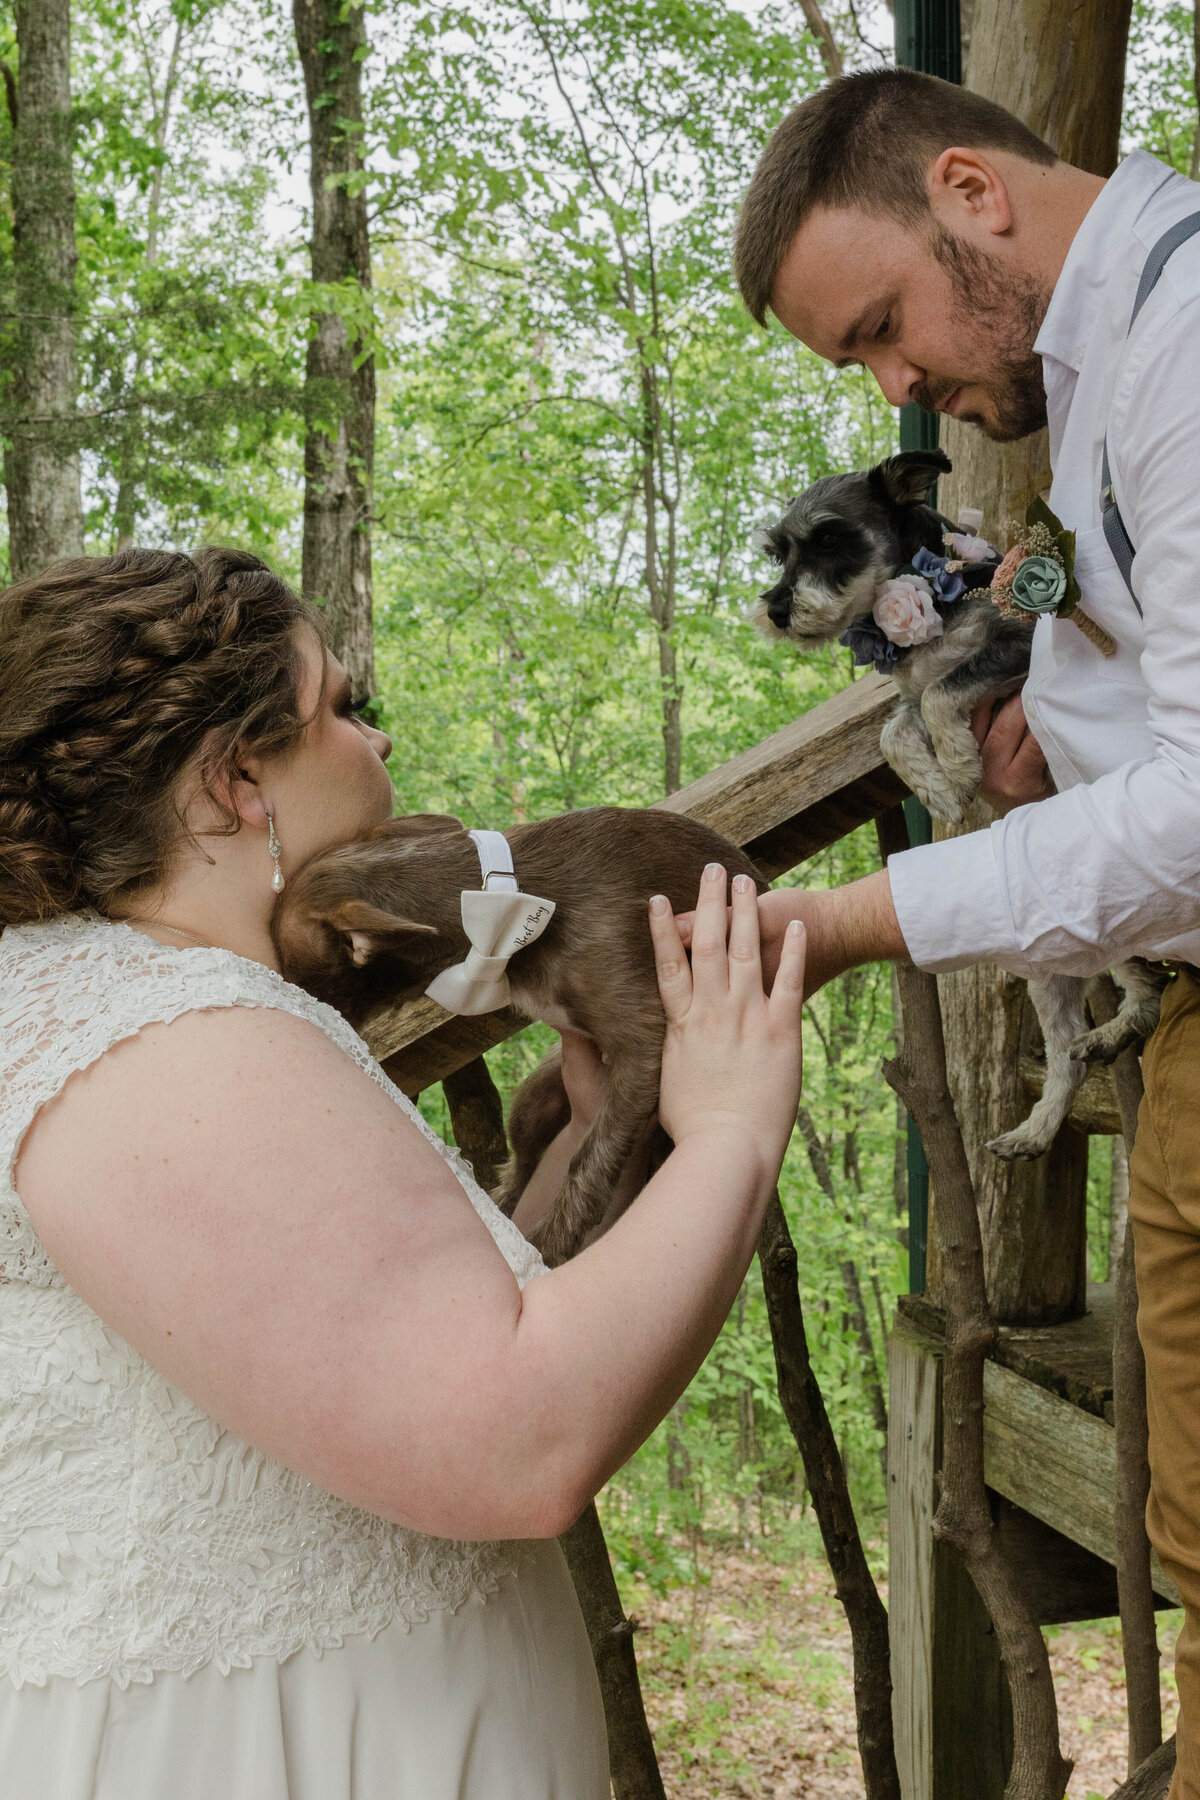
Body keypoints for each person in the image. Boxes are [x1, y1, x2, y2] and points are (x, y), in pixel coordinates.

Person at [0, 544, 807, 1800]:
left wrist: (598, 1127)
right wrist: (733, 1132)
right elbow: (513, 1440)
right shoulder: (179, 1046)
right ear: (231, 783)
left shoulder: (143, 1005)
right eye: (335, 708)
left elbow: (445, 1330)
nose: (375, 742)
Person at [725, 64, 1200, 1796]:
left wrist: (864, 916)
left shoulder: (1191, 340)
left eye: (878, 328)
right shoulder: (1101, 363)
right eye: (861, 367)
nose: (895, 387)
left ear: (972, 193)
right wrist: (1048, 710)